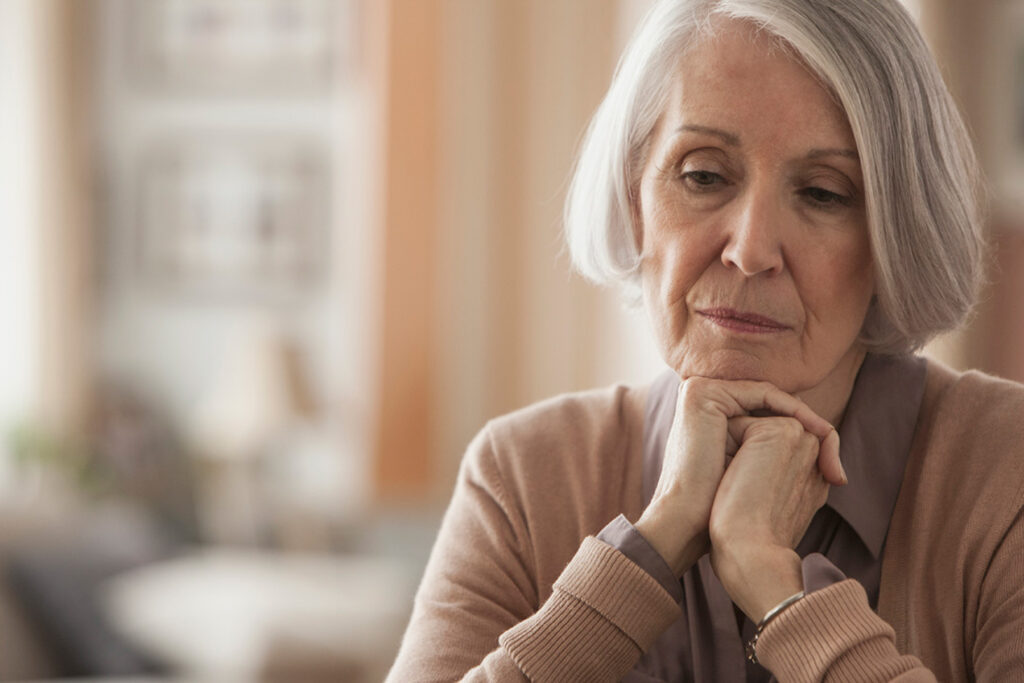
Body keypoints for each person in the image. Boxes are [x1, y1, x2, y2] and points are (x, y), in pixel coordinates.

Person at [388, 0, 1024, 680]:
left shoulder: (1004, 472)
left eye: (822, 192)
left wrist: (779, 591)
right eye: (704, 175)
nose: (750, 250)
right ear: (636, 198)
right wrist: (650, 546)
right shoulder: (521, 476)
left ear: (893, 235)